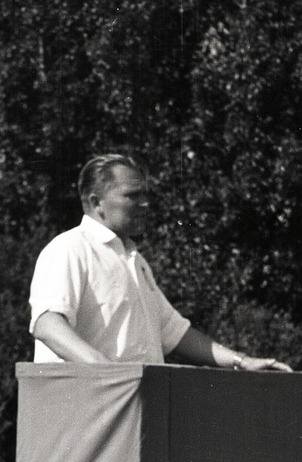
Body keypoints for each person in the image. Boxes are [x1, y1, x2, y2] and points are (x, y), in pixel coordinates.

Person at [30, 153, 292, 371]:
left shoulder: (135, 260)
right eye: (132, 195)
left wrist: (241, 361)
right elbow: (48, 325)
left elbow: (175, 333)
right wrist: (108, 374)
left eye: (145, 194)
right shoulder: (69, 249)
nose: (145, 203)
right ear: (96, 202)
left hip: (130, 407)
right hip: (86, 412)